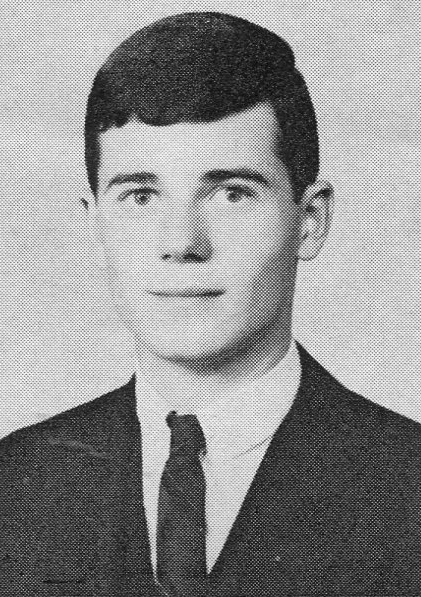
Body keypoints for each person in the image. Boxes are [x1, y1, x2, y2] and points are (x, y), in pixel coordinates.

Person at [0, 11, 420, 597]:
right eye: (140, 196)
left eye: (231, 193)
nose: (182, 242)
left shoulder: (407, 484)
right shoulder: (16, 481)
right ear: (94, 222)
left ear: (309, 220)